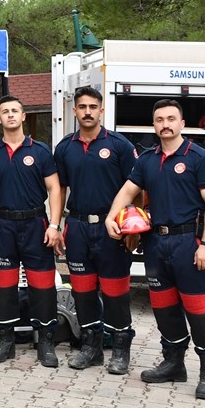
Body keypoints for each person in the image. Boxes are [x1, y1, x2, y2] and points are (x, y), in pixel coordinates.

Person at [105, 99, 205, 399]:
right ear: (154, 125)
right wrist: (111, 217)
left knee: (200, 311)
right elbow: (128, 191)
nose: (165, 124)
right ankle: (174, 364)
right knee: (164, 308)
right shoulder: (146, 159)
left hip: (189, 243)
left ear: (182, 123)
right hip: (156, 243)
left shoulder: (199, 157)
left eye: (171, 118)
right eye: (159, 119)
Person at [0, 95, 64, 367]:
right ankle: (5, 341)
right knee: (3, 286)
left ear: (23, 116)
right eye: (5, 112)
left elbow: (55, 189)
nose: (10, 115)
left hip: (36, 225)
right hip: (3, 227)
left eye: (15, 111)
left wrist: (55, 225)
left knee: (43, 286)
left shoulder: (41, 151)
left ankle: (46, 342)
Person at [53, 87, 138, 373]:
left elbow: (137, 189)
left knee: (116, 294)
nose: (87, 111)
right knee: (83, 292)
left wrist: (132, 228)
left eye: (92, 106)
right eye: (82, 107)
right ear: (74, 111)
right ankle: (91, 348)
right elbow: (59, 189)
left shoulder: (119, 145)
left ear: (101, 110)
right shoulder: (65, 147)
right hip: (77, 227)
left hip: (111, 229)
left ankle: (121, 349)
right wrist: (59, 224)